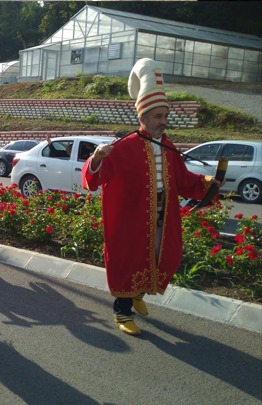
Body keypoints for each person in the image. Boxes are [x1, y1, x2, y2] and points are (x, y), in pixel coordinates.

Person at [82, 58, 224, 336]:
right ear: (142, 118)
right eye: (157, 117)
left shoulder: (168, 146)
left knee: (162, 256)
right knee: (129, 259)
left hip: (162, 217)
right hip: (130, 219)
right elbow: (93, 177)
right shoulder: (123, 147)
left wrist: (208, 182)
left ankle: (139, 295)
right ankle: (122, 311)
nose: (162, 122)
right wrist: (96, 158)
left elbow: (182, 181)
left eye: (164, 116)